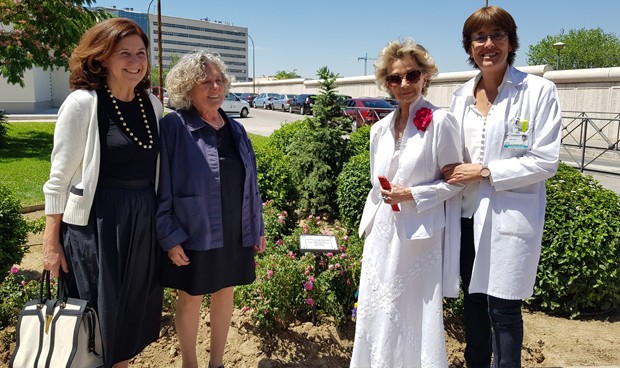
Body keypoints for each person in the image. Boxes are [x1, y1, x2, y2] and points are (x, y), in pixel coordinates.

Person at [442, 6, 562, 367]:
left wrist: (484, 171)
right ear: (469, 46)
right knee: (474, 304)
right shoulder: (461, 95)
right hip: (465, 218)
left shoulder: (537, 91)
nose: (489, 44)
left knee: (504, 309)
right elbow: (449, 157)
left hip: (509, 217)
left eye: (498, 35)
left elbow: (545, 160)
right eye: (479, 37)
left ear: (511, 42)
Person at [42, 18, 164, 368]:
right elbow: (57, 181)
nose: (135, 61)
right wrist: (51, 244)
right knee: (95, 322)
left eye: (140, 53)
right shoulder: (83, 104)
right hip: (97, 228)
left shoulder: (151, 106)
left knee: (126, 323)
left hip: (142, 225)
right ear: (101, 59)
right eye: (123, 53)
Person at [350, 38, 463, 368]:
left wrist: (413, 194)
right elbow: (376, 184)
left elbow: (455, 181)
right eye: (395, 78)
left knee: (413, 311)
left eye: (412, 75)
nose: (404, 84)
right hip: (382, 235)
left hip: (419, 238)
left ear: (425, 76)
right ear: (386, 82)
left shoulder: (441, 122)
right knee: (377, 307)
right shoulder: (379, 129)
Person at [156, 50, 266, 368]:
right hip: (193, 229)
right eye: (205, 82)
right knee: (190, 297)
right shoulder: (174, 126)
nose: (215, 87)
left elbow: (251, 184)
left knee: (225, 291)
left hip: (234, 229)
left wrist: (257, 227)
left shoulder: (236, 130)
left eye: (219, 81)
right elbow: (161, 186)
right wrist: (169, 235)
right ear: (187, 88)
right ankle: (189, 364)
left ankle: (216, 363)